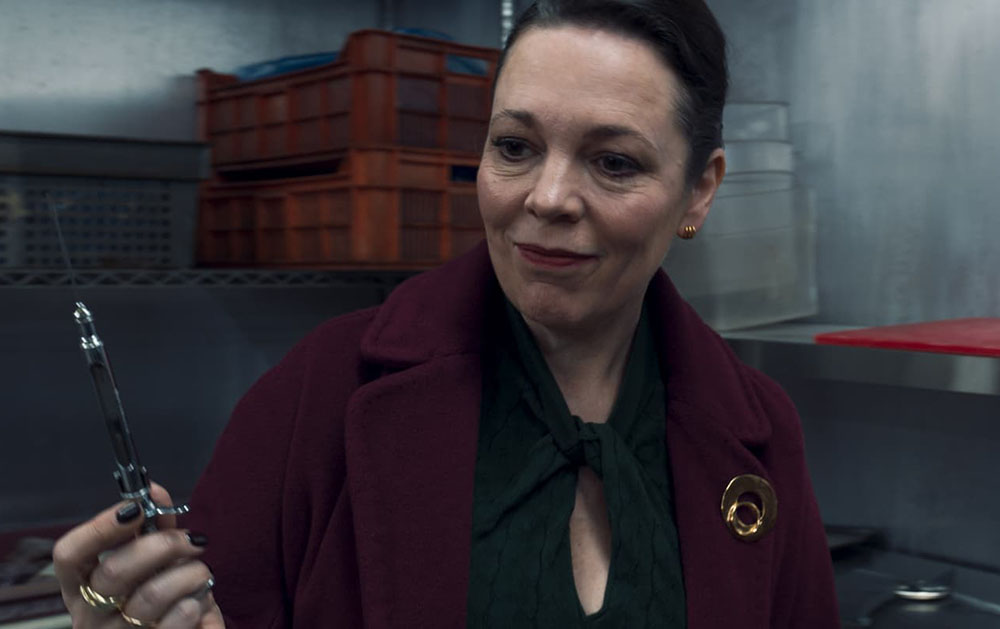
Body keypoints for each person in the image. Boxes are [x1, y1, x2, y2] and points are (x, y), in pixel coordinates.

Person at [53, 0, 839, 626]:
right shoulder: (321, 393)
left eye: (613, 161)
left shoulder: (759, 429)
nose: (548, 197)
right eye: (516, 146)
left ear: (700, 190)